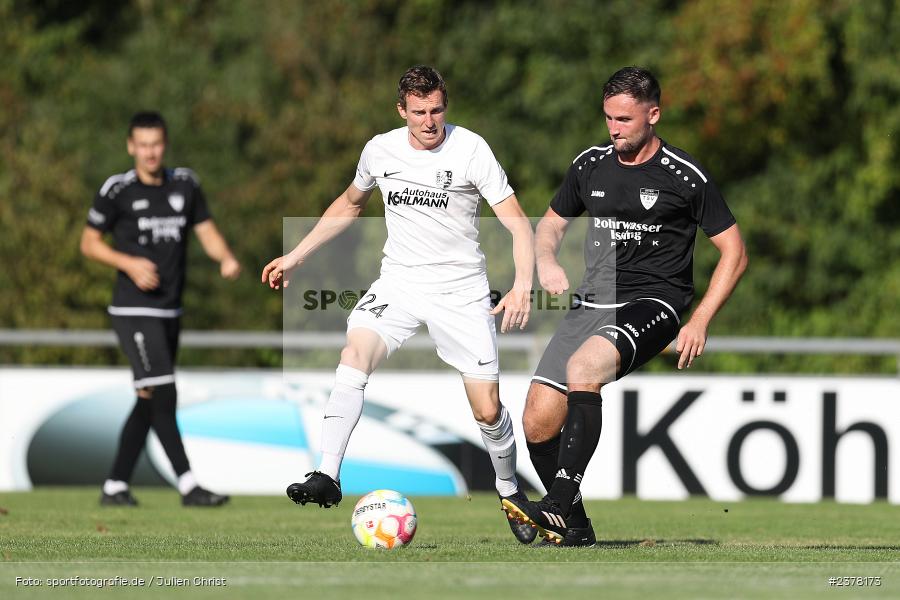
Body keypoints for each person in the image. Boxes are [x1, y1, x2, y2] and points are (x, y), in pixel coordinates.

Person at [262, 65, 537, 542]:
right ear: (401, 111)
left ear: (444, 107)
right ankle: (328, 474)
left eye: (436, 111)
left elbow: (516, 222)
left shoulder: (472, 149)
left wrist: (523, 285)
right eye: (418, 113)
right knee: (354, 357)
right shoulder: (380, 149)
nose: (429, 122)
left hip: (461, 290)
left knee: (488, 410)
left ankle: (510, 489)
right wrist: (296, 254)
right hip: (399, 283)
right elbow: (349, 204)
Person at [502, 67, 748, 546]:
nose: (614, 128)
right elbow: (549, 225)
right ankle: (576, 527)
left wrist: (700, 319)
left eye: (625, 119)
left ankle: (555, 502)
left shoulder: (685, 176)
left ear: (653, 115)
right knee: (536, 420)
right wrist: (548, 260)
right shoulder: (590, 164)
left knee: (584, 366)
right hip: (593, 301)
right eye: (609, 118)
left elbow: (735, 252)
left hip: (655, 301)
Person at [81, 111, 241, 507]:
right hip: (133, 310)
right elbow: (89, 243)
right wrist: (128, 263)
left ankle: (115, 484)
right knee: (164, 390)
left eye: (156, 144)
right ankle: (189, 485)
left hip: (170, 310)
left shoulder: (185, 185)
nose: (150, 153)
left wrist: (225, 258)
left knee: (149, 395)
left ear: (164, 144)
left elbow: (206, 230)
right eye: (143, 145)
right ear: (131, 146)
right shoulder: (117, 190)